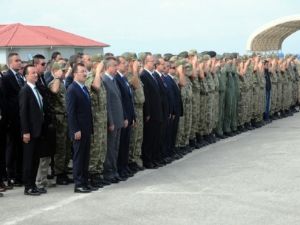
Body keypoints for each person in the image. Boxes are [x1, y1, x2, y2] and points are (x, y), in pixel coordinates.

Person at [66, 63, 95, 193]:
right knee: (78, 157)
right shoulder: (72, 89)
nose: (85, 73)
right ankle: (78, 183)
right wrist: (75, 129)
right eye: (82, 71)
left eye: (85, 71)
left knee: (85, 156)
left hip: (86, 128)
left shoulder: (84, 88)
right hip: (79, 130)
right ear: (75, 74)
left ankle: (84, 180)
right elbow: (71, 112)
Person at [19, 65, 45, 196]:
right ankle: (28, 186)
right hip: (30, 132)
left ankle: (33, 184)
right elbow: (23, 113)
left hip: (38, 131)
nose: (36, 75)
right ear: (26, 76)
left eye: (36, 72)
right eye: (33, 73)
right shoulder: (25, 90)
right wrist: (25, 131)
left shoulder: (36, 89)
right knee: (29, 160)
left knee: (36, 160)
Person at [2, 52, 24, 187]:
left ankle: (19, 175)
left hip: (21, 119)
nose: (19, 63)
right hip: (12, 119)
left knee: (20, 148)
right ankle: (11, 175)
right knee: (12, 148)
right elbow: (5, 100)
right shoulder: (6, 78)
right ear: (10, 63)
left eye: (20, 60)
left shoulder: (20, 77)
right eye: (17, 60)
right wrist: (8, 119)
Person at [102, 57, 126, 183]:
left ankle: (114, 170)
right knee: (110, 148)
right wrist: (110, 121)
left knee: (115, 147)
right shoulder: (105, 80)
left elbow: (118, 101)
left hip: (118, 119)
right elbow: (108, 104)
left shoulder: (113, 80)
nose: (117, 68)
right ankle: (108, 172)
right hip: (112, 121)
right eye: (114, 66)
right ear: (108, 67)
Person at [140, 54, 163, 169]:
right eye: (151, 61)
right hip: (151, 113)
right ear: (145, 62)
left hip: (157, 111)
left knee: (155, 137)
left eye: (154, 61)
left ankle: (154, 158)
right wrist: (147, 113)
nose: (153, 63)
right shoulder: (144, 75)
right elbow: (146, 96)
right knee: (149, 138)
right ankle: (148, 160)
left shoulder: (152, 75)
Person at [115, 56, 136, 179]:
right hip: (123, 117)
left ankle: (124, 166)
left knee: (126, 144)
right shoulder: (117, 79)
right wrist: (124, 117)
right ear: (117, 65)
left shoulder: (124, 79)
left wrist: (132, 116)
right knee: (121, 145)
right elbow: (120, 101)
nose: (126, 65)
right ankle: (120, 168)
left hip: (128, 116)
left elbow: (129, 99)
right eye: (123, 63)